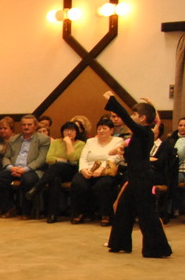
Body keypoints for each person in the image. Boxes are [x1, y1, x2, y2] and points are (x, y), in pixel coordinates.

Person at [104, 94, 172, 257]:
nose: (132, 116)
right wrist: (125, 151)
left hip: (142, 178)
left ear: (142, 118)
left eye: (135, 114)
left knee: (146, 213)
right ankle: (120, 244)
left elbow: (127, 119)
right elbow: (136, 153)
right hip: (135, 176)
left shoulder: (144, 132)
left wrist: (113, 100)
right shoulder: (141, 134)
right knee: (123, 208)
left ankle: (157, 248)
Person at [69, 116, 124, 226]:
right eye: (99, 128)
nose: (101, 131)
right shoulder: (90, 141)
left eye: (105, 128)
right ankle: (79, 213)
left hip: (107, 170)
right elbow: (83, 158)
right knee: (78, 182)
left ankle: (106, 214)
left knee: (103, 185)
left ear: (111, 130)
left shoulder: (118, 141)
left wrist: (101, 168)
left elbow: (115, 158)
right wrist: (83, 170)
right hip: (89, 169)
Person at [0, 113, 47, 217]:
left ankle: (26, 211)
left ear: (35, 126)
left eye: (29, 124)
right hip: (14, 168)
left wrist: (24, 169)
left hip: (32, 170)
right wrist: (11, 167)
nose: (26, 127)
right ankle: (10, 207)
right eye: (24, 125)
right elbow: (6, 157)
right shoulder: (14, 139)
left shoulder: (43, 139)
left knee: (28, 179)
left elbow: (41, 159)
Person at [36, 121, 85, 223]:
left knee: (57, 166)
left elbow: (73, 159)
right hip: (57, 172)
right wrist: (64, 160)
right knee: (55, 179)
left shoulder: (81, 144)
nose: (69, 133)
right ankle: (52, 214)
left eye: (72, 130)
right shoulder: (56, 142)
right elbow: (49, 159)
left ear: (77, 132)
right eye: (66, 130)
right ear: (62, 132)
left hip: (72, 171)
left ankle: (37, 187)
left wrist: (68, 143)